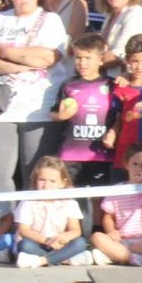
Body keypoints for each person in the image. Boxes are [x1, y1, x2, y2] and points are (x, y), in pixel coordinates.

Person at [0, 0, 68, 190]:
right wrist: (21, 64)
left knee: (36, 177)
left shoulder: (51, 20)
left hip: (39, 108)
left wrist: (5, 52)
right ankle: (3, 224)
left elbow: (48, 57)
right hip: (1, 108)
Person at [51, 34, 116, 191]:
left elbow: (119, 114)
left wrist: (114, 132)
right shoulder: (69, 85)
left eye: (88, 58)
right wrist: (61, 116)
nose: (82, 63)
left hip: (100, 154)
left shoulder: (111, 85)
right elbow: (53, 113)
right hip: (70, 154)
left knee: (98, 198)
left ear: (101, 59)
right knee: (69, 196)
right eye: (78, 58)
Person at [11, 155, 93, 268]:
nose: (46, 185)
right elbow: (24, 230)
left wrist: (65, 236)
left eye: (52, 181)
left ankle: (41, 261)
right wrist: (46, 240)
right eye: (42, 180)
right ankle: (64, 258)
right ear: (35, 180)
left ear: (62, 183)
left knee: (80, 243)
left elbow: (75, 230)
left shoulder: (69, 202)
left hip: (59, 244)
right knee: (25, 245)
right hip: (38, 243)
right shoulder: (28, 202)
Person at [90, 147, 142, 266]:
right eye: (135, 164)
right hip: (122, 239)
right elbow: (108, 216)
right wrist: (111, 231)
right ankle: (136, 258)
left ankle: (118, 256)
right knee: (96, 237)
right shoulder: (117, 189)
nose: (139, 169)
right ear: (126, 165)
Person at [102, 34, 142, 174]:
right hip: (125, 151)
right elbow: (118, 117)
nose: (139, 66)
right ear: (127, 61)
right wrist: (112, 132)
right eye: (135, 61)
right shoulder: (121, 88)